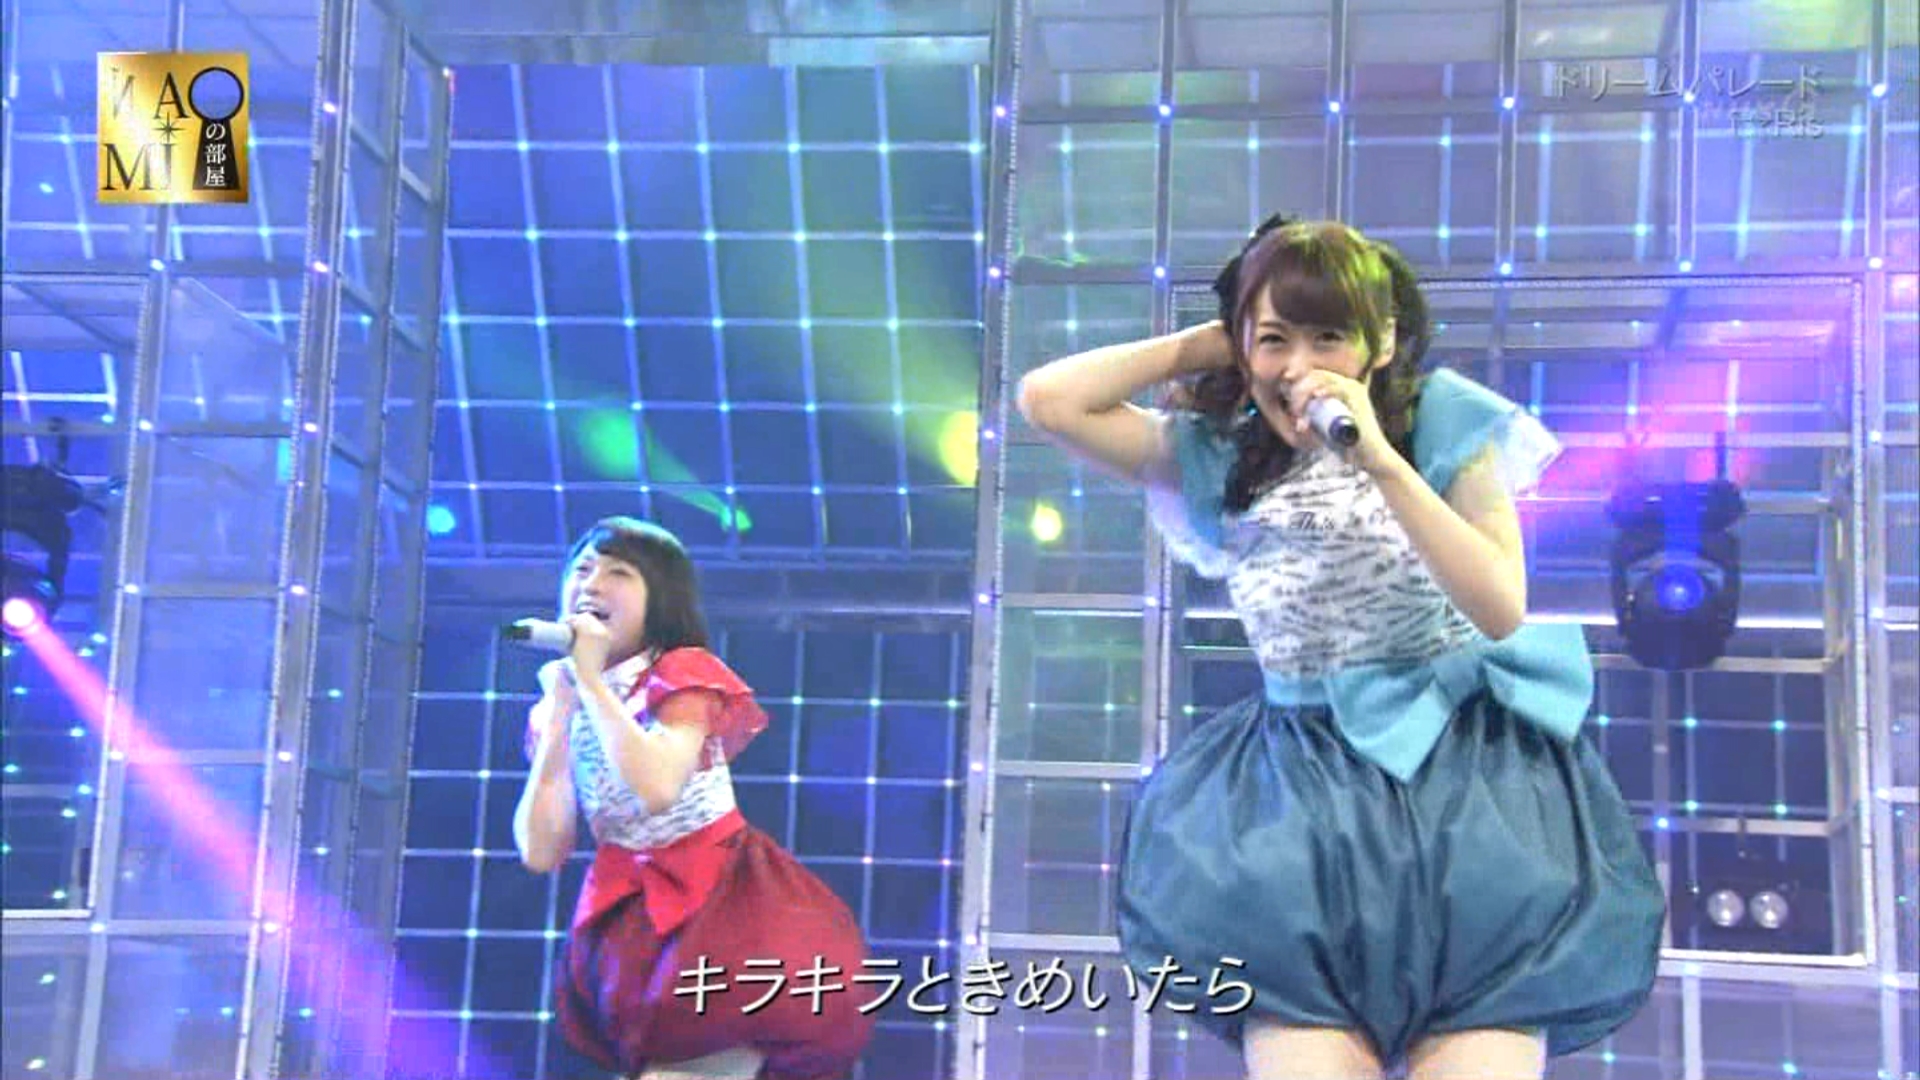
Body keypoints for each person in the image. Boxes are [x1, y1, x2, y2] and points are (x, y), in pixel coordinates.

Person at [1016, 217, 1665, 1079]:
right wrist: (1212, 343)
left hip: (1473, 799)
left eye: (1329, 338)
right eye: (1276, 339)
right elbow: (1048, 400)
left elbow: (1500, 606)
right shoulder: (1217, 453)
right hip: (1301, 808)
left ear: (1381, 342)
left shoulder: (1442, 422)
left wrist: (1384, 463)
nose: (1301, 366)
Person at [513, 517, 877, 1080]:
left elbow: (658, 785)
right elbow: (542, 851)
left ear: (660, 597)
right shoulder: (560, 702)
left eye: (618, 573)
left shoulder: (681, 673)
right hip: (629, 914)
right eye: (581, 570)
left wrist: (590, 684)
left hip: (720, 900)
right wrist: (561, 711)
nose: (591, 585)